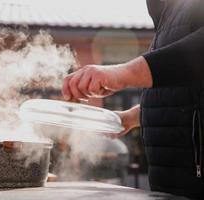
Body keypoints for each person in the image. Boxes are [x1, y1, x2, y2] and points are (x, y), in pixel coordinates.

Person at [62, 0, 204, 199]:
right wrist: (131, 117)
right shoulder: (169, 13)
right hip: (169, 184)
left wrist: (122, 73)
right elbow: (184, 94)